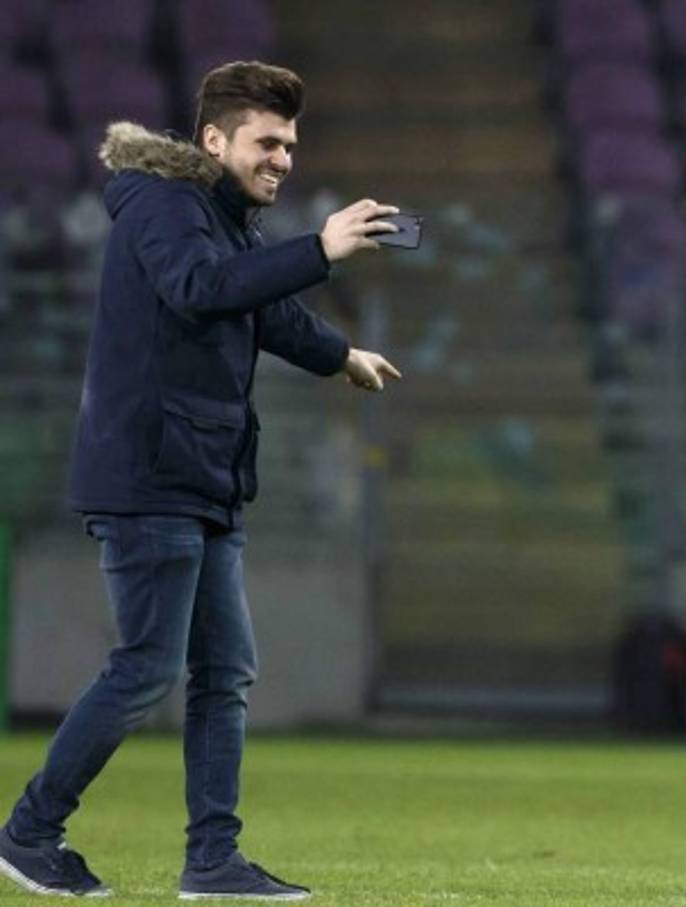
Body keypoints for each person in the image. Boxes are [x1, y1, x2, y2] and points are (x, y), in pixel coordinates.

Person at [0, 62, 401, 900]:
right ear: (214, 140)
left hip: (202, 473)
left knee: (225, 672)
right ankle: (28, 832)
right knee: (147, 666)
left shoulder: (219, 218)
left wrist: (341, 356)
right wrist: (321, 249)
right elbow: (200, 289)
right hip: (150, 472)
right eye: (267, 141)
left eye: (289, 143)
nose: (283, 157)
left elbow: (258, 307)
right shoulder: (161, 203)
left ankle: (212, 861)